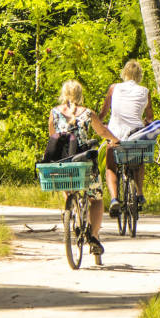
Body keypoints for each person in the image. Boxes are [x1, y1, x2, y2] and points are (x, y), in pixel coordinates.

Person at [49, 80, 121, 255]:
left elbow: (52, 136)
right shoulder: (88, 113)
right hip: (83, 161)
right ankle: (94, 236)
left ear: (63, 94)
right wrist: (115, 140)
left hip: (63, 162)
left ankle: (72, 209)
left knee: (68, 182)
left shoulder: (54, 112)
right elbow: (102, 132)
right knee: (95, 199)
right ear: (80, 95)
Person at [99, 59, 154, 216]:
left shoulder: (114, 88)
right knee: (139, 159)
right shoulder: (145, 91)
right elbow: (150, 117)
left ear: (124, 73)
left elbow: (103, 113)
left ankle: (114, 199)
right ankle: (140, 193)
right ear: (139, 75)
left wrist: (99, 124)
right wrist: (145, 123)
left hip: (115, 135)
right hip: (135, 134)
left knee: (111, 167)